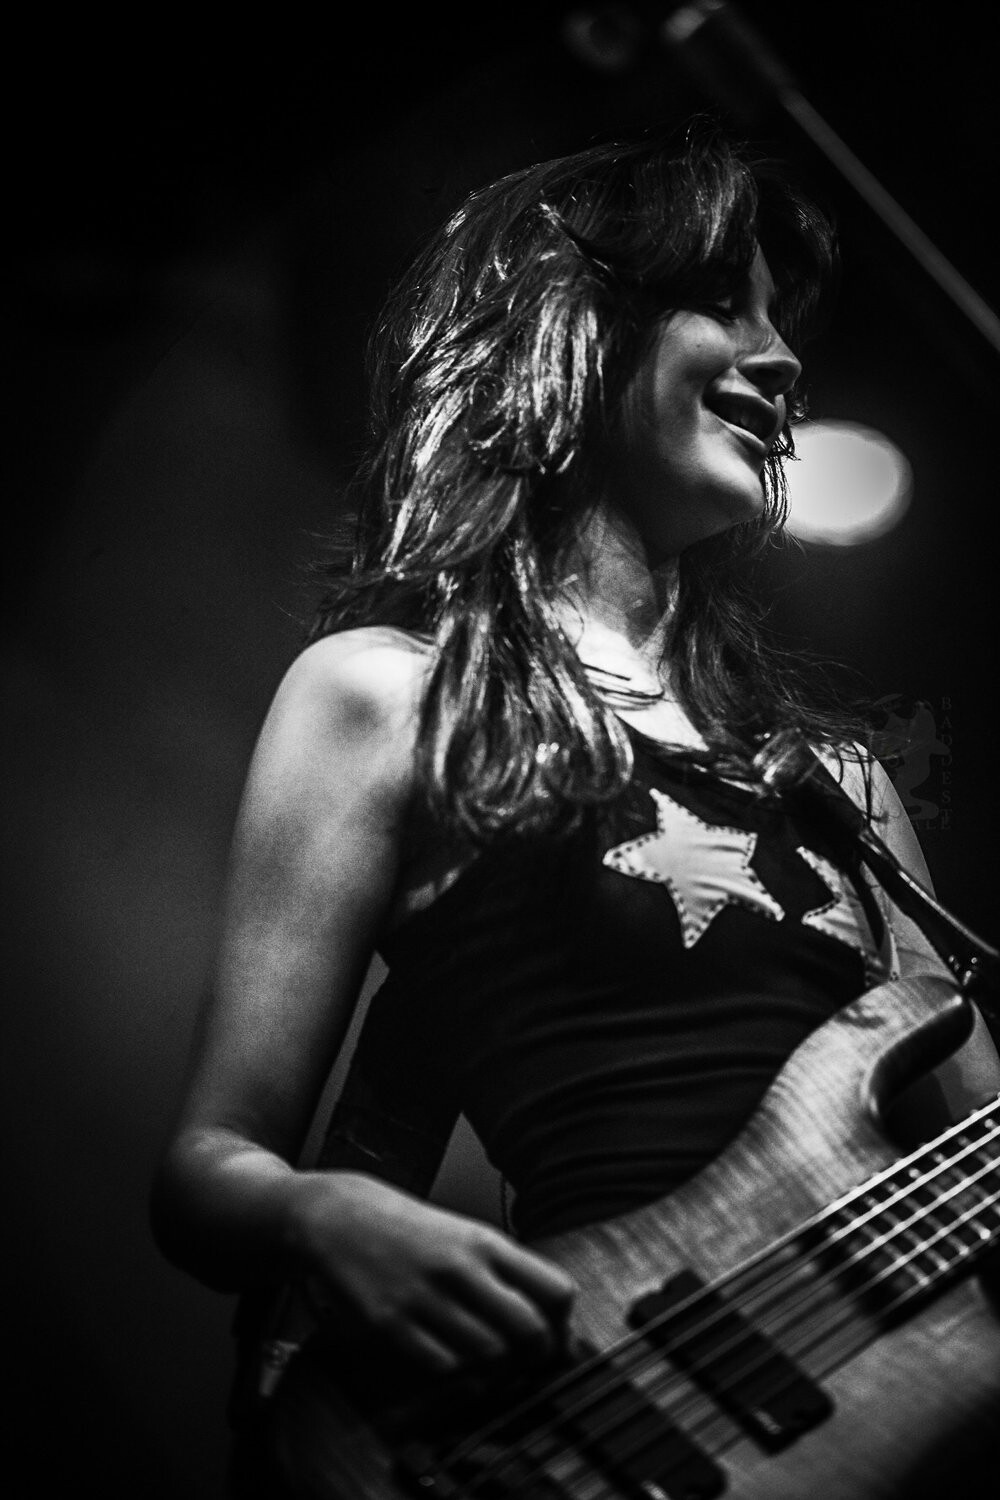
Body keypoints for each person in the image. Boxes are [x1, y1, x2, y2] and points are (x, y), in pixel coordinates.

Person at [150, 120, 1000, 1495]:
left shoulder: (839, 784)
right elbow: (207, 1164)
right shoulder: (389, 697)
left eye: (783, 320)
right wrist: (322, 1215)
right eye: (724, 303)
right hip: (586, 1419)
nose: (784, 359)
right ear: (575, 326)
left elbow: (974, 1155)